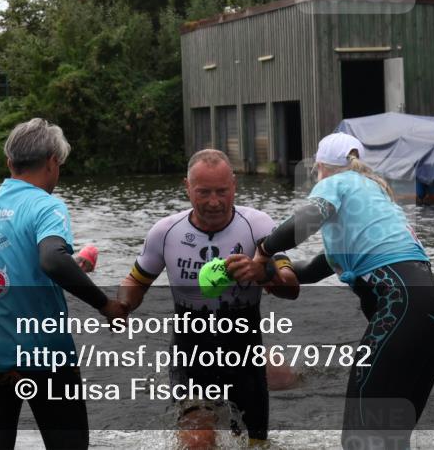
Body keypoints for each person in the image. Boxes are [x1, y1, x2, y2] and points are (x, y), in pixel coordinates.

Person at [249, 133, 434, 450]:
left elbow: (304, 222)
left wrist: (263, 249)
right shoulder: (373, 198)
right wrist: (273, 271)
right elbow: (314, 269)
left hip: (402, 310)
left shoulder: (337, 182)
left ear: (319, 167)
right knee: (391, 441)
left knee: (359, 440)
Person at [0, 118, 127, 450]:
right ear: (53, 162)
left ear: (10, 163)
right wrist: (105, 304)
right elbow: (53, 259)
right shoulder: (45, 205)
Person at [117, 149, 299, 448]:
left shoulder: (258, 226)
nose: (213, 202)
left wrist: (262, 272)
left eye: (221, 191)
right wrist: (121, 306)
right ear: (187, 187)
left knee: (254, 444)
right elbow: (134, 281)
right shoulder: (166, 232)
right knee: (198, 440)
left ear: (234, 186)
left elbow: (292, 288)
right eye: (203, 192)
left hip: (246, 359)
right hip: (191, 358)